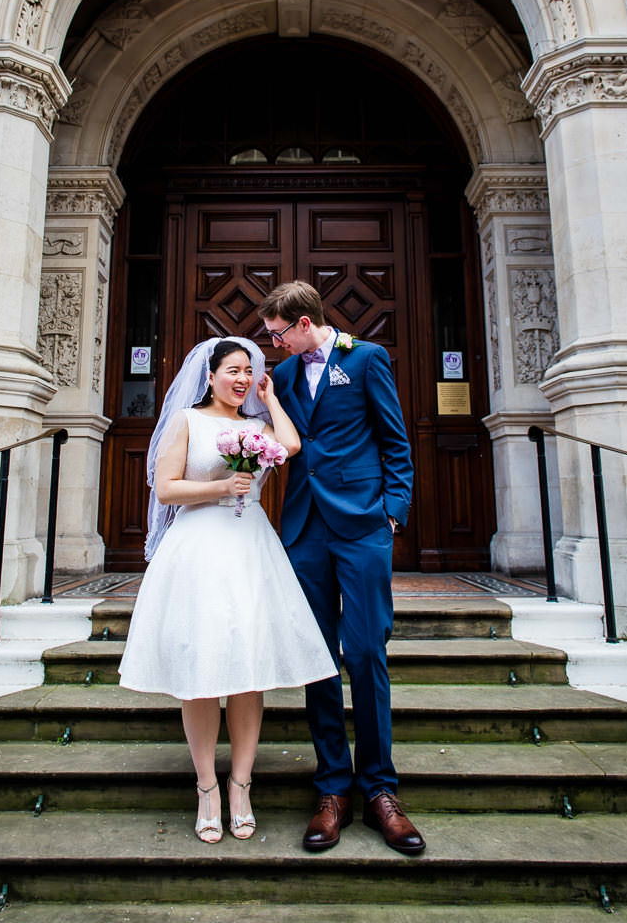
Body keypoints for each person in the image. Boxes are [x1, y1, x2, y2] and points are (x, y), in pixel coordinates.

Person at [119, 336, 336, 845]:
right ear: (210, 375)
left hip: (249, 547)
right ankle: (206, 789)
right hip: (197, 548)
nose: (241, 380)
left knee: (247, 668)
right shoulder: (187, 422)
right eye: (233, 371)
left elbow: (293, 445)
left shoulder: (257, 426)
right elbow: (165, 486)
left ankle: (241, 785)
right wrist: (221, 486)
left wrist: (273, 398)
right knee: (201, 668)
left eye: (249, 372)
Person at [258, 281, 426, 856]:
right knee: (317, 657)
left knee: (366, 652)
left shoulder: (367, 359)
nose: (271, 342)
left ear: (304, 323)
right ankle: (333, 789)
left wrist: (393, 515)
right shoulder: (279, 378)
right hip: (304, 529)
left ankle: (381, 790)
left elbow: (395, 441)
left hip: (363, 527)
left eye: (277, 333)